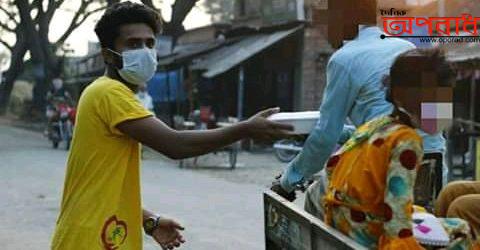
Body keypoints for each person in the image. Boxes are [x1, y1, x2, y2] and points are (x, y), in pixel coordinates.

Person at [51, 2, 292, 250]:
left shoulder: (107, 92)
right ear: (107, 54)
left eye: (150, 43)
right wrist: (245, 129)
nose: (144, 51)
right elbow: (175, 145)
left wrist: (149, 221)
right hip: (90, 240)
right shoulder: (109, 92)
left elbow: (102, 186)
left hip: (100, 234)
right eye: (133, 44)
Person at [272, 0, 447, 204]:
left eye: (323, 21)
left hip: (383, 173)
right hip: (433, 173)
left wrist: (288, 181)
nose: (322, 31)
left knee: (315, 196)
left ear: (343, 19)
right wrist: (345, 132)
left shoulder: (344, 59)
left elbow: (325, 138)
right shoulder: (406, 47)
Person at [317, 49, 475, 249]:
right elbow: (397, 220)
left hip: (344, 222)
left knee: (422, 213)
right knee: (462, 230)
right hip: (367, 232)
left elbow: (332, 168)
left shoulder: (376, 125)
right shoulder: (406, 142)